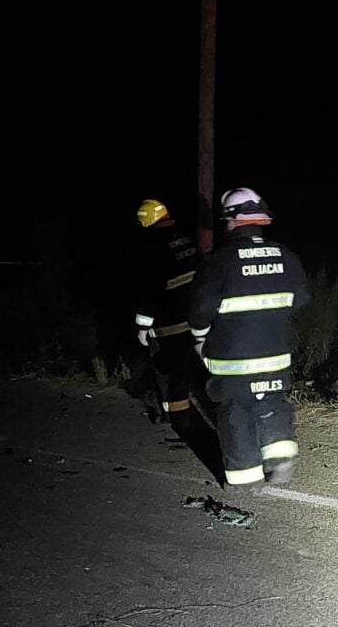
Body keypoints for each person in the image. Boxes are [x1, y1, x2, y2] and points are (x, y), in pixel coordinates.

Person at [188, 187, 311, 494]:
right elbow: (301, 300)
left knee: (236, 412)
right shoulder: (287, 256)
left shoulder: (219, 262)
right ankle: (280, 456)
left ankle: (245, 481)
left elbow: (200, 310)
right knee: (272, 403)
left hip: (233, 359)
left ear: (230, 220)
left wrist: (200, 339)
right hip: (276, 355)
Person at [132, 199, 220, 472]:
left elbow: (151, 287)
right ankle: (220, 412)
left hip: (170, 325)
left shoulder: (152, 247)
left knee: (174, 374)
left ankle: (180, 420)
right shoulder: (187, 241)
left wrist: (143, 325)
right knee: (202, 370)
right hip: (197, 321)